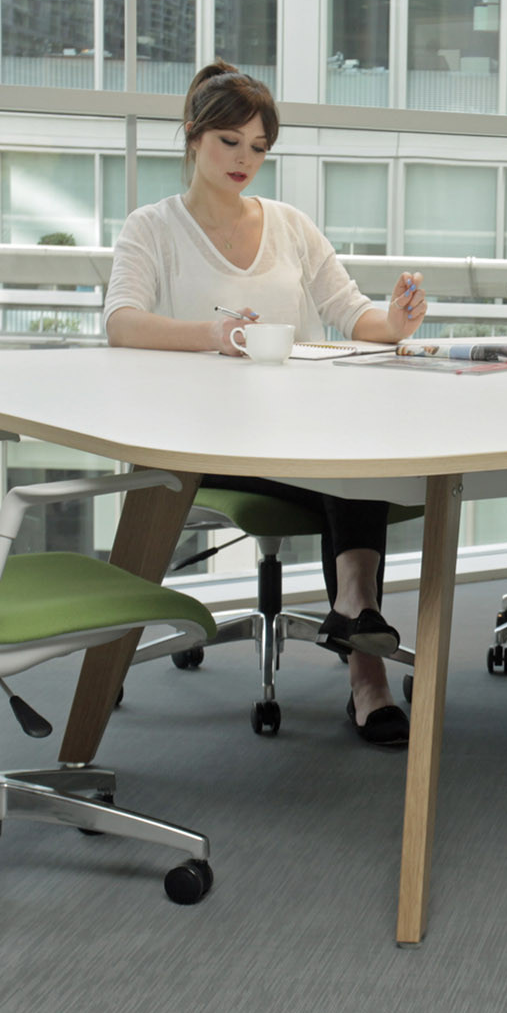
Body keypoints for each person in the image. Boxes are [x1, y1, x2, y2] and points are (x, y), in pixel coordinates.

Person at [104, 61, 427, 746]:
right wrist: (214, 337)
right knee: (346, 460)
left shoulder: (290, 225)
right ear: (193, 137)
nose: (244, 159)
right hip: (208, 442)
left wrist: (393, 324)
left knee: (354, 448)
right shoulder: (153, 228)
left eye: (258, 147)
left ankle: (356, 622)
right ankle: (363, 655)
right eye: (230, 142)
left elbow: (348, 311)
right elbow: (122, 322)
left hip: (300, 437)